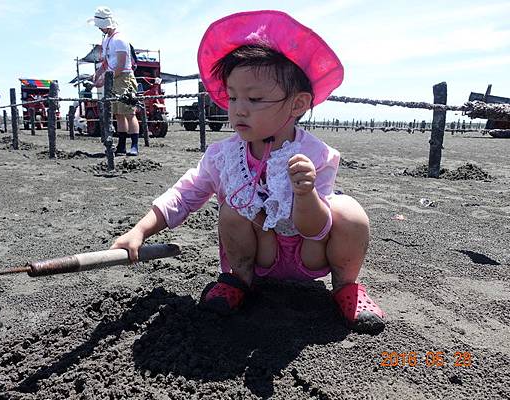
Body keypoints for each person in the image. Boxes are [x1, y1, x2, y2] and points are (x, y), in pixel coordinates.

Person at [110, 10, 385, 334]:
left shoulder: (317, 156)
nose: (238, 108)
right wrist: (140, 230)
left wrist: (305, 193)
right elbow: (186, 193)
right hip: (260, 257)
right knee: (233, 209)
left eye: (254, 98)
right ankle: (238, 281)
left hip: (310, 255)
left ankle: (346, 287)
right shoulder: (224, 156)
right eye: (232, 96)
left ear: (297, 105)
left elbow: (316, 227)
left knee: (349, 212)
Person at [88, 6, 140, 156]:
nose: (99, 29)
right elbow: (106, 62)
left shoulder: (120, 40)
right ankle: (122, 145)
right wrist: (97, 74)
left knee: (129, 112)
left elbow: (122, 64)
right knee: (118, 114)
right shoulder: (106, 40)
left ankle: (134, 145)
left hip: (124, 78)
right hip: (112, 79)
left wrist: (104, 80)